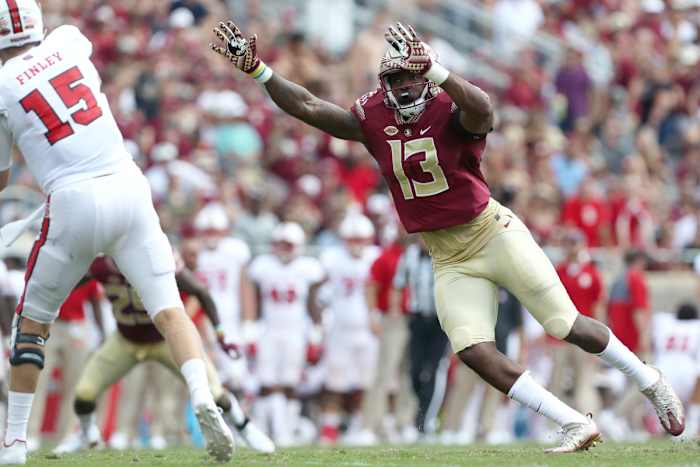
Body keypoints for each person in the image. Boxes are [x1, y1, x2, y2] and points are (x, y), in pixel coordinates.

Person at [210, 19, 685, 452]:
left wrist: (437, 70)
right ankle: (573, 423)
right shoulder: (374, 114)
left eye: (406, 77)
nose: (398, 87)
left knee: (565, 324)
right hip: (446, 255)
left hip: (491, 232)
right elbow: (312, 106)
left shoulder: (449, 104)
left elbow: (484, 110)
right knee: (474, 350)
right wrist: (259, 71)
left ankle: (648, 380)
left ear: (425, 74)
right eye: (391, 80)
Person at [0, 3, 233, 463]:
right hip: (128, 186)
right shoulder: (67, 40)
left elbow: (2, 179)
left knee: (32, 325)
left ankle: (14, 442)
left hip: (71, 201)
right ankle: (202, 394)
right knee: (169, 309)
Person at [52, 255, 273, 454]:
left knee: (214, 393)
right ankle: (86, 434)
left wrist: (220, 334)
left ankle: (244, 426)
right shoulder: (101, 265)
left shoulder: (156, 256)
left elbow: (200, 291)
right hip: (125, 340)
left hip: (165, 340)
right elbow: (67, 284)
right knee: (84, 393)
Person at [242, 222, 325, 446]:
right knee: (267, 382)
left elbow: (313, 303)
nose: (283, 249)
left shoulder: (308, 268)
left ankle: (286, 431)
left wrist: (316, 333)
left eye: (288, 245)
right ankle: (271, 430)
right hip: (269, 329)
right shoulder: (263, 266)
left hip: (296, 331)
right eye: (280, 244)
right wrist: (250, 328)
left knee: (290, 383)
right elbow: (253, 297)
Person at [318, 214, 380, 445]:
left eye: (360, 239)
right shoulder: (332, 258)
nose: (356, 243)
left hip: (367, 329)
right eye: (352, 239)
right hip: (339, 329)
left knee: (366, 382)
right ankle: (329, 427)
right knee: (335, 382)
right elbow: (320, 293)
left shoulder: (375, 257)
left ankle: (359, 425)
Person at [27, 280, 104, 451]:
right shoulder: (55, 261)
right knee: (37, 380)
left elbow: (95, 302)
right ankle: (31, 434)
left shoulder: (88, 269)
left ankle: (67, 436)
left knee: (73, 385)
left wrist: (102, 332)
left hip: (77, 327)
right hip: (49, 324)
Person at [391, 238, 447, 436]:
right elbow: (398, 285)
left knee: (432, 370)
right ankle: (421, 413)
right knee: (415, 371)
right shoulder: (409, 256)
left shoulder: (445, 252)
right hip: (417, 319)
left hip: (440, 321)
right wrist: (396, 312)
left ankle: (424, 421)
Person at [549, 229, 605, 414]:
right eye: (569, 243)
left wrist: (598, 337)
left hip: (584, 333)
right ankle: (552, 421)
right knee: (557, 378)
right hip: (562, 334)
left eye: (575, 242)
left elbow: (598, 305)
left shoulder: (591, 272)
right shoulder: (559, 272)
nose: (572, 247)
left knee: (584, 379)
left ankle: (588, 417)